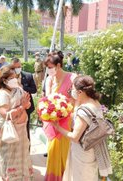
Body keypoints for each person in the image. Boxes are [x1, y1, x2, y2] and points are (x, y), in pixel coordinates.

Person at [52, 75, 112, 181]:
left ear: (80, 92)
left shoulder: (83, 111)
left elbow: (75, 137)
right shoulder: (95, 103)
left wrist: (58, 127)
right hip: (93, 149)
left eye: (73, 89)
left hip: (82, 153)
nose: (72, 92)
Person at [0, 65, 33, 181]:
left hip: (21, 131)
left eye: (15, 77)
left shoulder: (18, 90)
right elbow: (6, 114)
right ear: (4, 80)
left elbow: (28, 104)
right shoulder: (2, 94)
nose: (15, 79)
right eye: (12, 78)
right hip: (9, 132)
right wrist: (22, 106)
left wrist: (26, 104)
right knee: (9, 157)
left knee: (23, 156)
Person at [43, 51, 76, 181]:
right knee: (52, 151)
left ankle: (65, 177)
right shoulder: (49, 80)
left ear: (58, 65)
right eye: (47, 67)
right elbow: (46, 99)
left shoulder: (72, 78)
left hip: (66, 122)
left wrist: (64, 110)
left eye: (50, 67)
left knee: (65, 152)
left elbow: (76, 100)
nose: (48, 70)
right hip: (52, 122)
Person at [11, 57, 37, 141]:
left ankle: (27, 150)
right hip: (14, 108)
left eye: (19, 67)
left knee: (26, 130)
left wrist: (23, 87)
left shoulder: (28, 76)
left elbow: (34, 90)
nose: (17, 69)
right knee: (14, 130)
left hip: (26, 107)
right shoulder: (9, 78)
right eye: (15, 67)